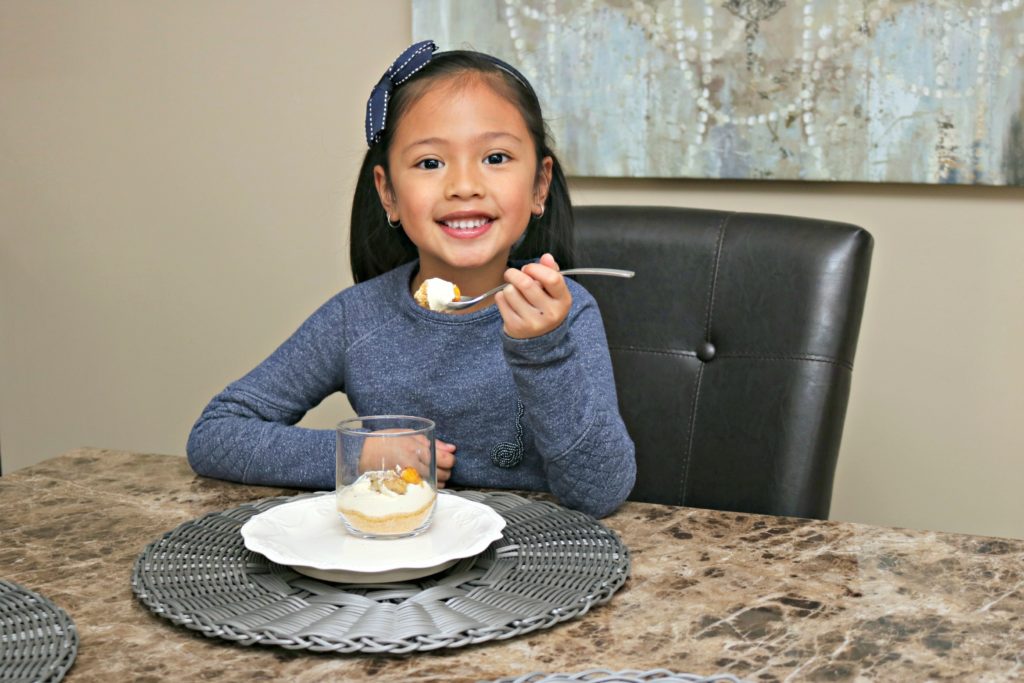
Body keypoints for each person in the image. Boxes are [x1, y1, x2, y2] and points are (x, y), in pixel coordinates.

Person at [186, 40, 636, 518]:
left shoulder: (567, 314)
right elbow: (216, 433)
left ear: (540, 185)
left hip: (530, 567)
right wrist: (363, 454)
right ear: (389, 194)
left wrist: (543, 351)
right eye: (430, 163)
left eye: (496, 158)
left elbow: (600, 490)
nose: (464, 185)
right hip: (394, 562)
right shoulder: (356, 318)